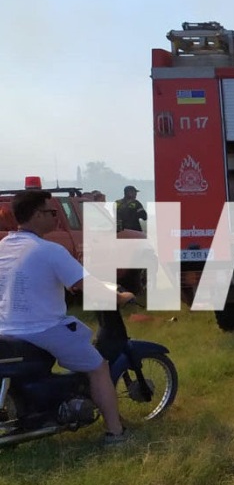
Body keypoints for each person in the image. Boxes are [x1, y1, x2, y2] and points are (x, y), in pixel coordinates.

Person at [0, 190, 134, 444]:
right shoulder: (50, 250)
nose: (55, 218)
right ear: (38, 215)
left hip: (6, 329)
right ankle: (116, 433)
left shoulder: (4, 247)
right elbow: (87, 285)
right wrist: (121, 297)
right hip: (43, 329)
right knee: (99, 367)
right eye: (51, 212)